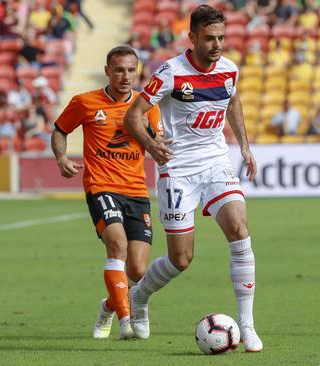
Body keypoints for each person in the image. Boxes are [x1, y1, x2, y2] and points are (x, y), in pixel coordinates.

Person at [123, 4, 263, 352]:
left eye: (221, 37)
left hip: (216, 162)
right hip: (178, 170)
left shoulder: (229, 70)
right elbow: (133, 116)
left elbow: (232, 102)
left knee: (239, 229)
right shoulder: (171, 72)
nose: (217, 45)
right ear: (192, 38)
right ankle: (138, 296)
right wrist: (152, 145)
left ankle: (247, 325)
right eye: (210, 38)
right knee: (181, 260)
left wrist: (244, 147)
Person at [50, 46, 162, 340]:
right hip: (101, 187)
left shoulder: (147, 105)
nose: (126, 76)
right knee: (117, 246)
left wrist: (159, 141)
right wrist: (61, 158)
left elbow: (158, 142)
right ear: (108, 71)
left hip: (137, 191)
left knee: (138, 270)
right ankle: (126, 321)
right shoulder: (86, 102)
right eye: (119, 70)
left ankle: (109, 306)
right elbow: (60, 129)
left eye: (130, 70)